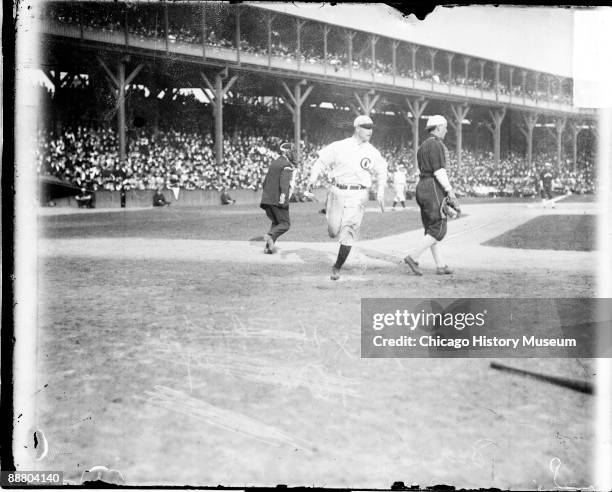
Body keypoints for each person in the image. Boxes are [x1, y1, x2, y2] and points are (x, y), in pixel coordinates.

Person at [307, 115, 387, 280]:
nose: (370, 131)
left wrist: (380, 192)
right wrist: (313, 177)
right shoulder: (340, 146)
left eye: (371, 128)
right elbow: (320, 162)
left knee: (349, 230)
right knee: (333, 230)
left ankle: (337, 267)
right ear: (357, 128)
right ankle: (332, 224)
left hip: (358, 194)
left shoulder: (372, 151)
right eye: (366, 127)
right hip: (337, 192)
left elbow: (382, 170)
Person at [404, 115, 456, 276]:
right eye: (445, 127)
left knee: (430, 228)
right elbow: (439, 171)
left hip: (422, 186)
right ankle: (413, 257)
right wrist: (449, 190)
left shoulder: (423, 146)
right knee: (438, 227)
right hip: (432, 185)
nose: (446, 131)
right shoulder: (436, 144)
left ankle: (440, 265)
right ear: (439, 127)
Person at [260, 142, 297, 254]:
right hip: (278, 200)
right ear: (287, 152)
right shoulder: (286, 165)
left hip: (267, 199)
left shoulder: (274, 163)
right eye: (292, 151)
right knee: (285, 224)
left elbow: (264, 182)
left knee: (276, 223)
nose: (294, 154)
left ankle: (268, 248)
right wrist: (282, 198)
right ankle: (269, 236)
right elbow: (284, 184)